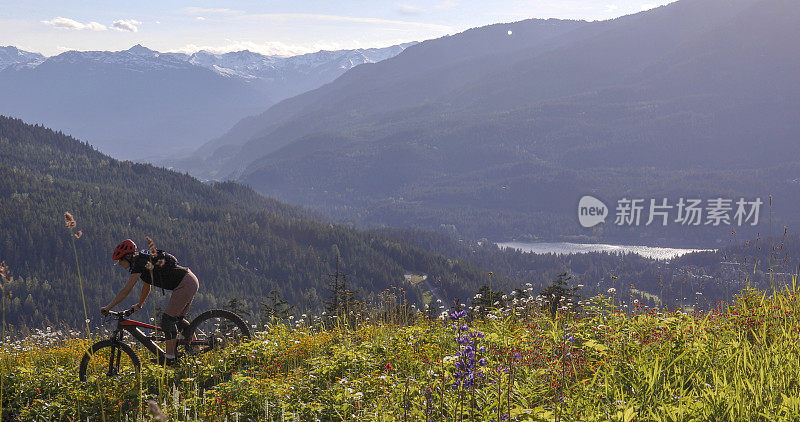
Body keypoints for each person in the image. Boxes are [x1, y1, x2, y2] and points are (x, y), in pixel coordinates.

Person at [101, 239, 199, 365]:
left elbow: (126, 290)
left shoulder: (138, 264)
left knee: (167, 320)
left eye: (120, 260)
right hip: (189, 279)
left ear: (128, 257)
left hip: (185, 284)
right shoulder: (143, 261)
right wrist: (139, 304)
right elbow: (147, 285)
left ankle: (170, 358)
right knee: (176, 320)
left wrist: (108, 307)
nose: (119, 263)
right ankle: (195, 348)